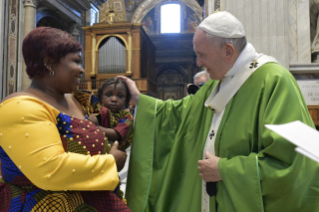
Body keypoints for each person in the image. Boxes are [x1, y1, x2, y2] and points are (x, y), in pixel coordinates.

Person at [120, 11, 319, 212]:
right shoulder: (216, 82)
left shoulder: (274, 81)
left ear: (228, 51)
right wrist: (140, 100)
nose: (198, 62)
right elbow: (181, 114)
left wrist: (225, 170)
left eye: (202, 55)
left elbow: (296, 162)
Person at [0, 27, 131, 212]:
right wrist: (111, 161)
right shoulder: (20, 107)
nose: (82, 69)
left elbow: (118, 122)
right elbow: (50, 169)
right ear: (49, 64)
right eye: (76, 61)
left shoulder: (79, 101)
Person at [88, 77, 134, 152]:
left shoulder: (127, 117)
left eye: (120, 96)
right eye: (109, 95)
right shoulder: (96, 110)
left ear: (126, 100)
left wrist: (97, 127)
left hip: (115, 153)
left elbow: (117, 135)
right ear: (101, 97)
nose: (114, 99)